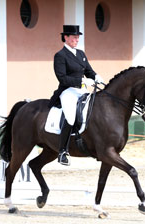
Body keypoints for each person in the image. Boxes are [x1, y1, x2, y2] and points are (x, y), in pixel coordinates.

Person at [48, 25, 104, 166]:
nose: (76, 39)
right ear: (65, 37)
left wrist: (96, 76)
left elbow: (89, 71)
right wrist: (82, 81)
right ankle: (62, 152)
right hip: (68, 91)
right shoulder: (60, 56)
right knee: (71, 117)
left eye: (78, 37)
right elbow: (62, 78)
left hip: (82, 90)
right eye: (74, 37)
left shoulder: (80, 54)